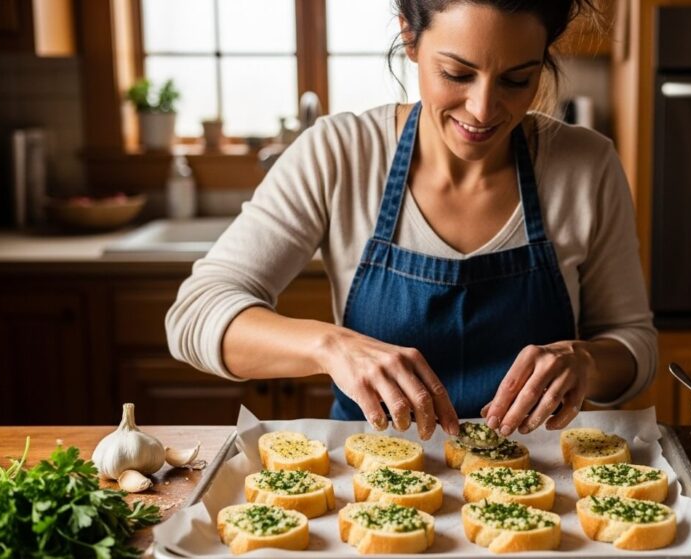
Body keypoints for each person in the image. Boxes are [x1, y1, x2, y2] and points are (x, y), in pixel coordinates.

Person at [166, 0, 656, 442]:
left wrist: (587, 363)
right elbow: (195, 315)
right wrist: (330, 347)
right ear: (410, 39)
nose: (483, 109)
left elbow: (633, 344)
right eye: (457, 74)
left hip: (547, 478)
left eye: (516, 79)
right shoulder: (340, 153)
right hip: (371, 479)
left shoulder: (587, 164)